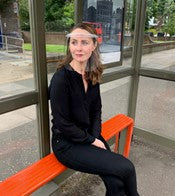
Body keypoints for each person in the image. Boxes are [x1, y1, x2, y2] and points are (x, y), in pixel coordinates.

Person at [49, 23, 139, 196]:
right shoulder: (61, 78)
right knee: (127, 168)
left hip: (89, 136)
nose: (78, 48)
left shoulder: (91, 73)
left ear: (94, 45)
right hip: (67, 144)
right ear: (69, 45)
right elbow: (63, 123)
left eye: (84, 42)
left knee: (116, 183)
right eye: (74, 42)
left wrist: (96, 136)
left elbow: (96, 110)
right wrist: (92, 140)